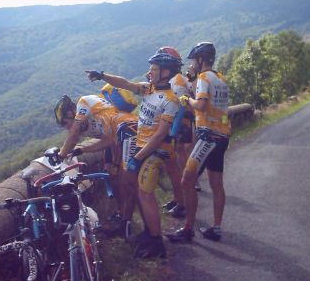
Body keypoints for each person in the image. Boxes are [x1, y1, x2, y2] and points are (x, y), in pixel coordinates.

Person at [85, 51, 181, 258]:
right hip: (142, 147)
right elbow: (124, 83)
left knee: (145, 194)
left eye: (154, 69)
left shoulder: (171, 100)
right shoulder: (149, 89)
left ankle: (157, 244)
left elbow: (160, 135)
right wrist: (102, 75)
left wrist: (137, 158)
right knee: (140, 192)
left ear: (166, 72)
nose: (149, 72)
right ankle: (150, 233)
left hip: (155, 152)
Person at [167, 42, 231, 243]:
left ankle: (187, 229)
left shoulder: (204, 77)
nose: (193, 63)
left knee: (187, 180)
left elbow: (201, 105)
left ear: (201, 59)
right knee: (216, 184)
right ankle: (216, 227)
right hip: (222, 136)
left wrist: (187, 100)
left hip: (207, 136)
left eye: (195, 60)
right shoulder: (220, 78)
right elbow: (219, 108)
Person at [54, 93, 138, 238]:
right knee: (113, 178)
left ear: (71, 113)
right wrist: (82, 150)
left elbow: (73, 135)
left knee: (127, 182)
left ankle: (129, 227)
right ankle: (122, 215)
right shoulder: (88, 127)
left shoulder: (83, 103)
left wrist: (60, 156)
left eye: (65, 123)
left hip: (129, 131)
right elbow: (108, 140)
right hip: (117, 139)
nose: (67, 128)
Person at [153, 46, 194, 220]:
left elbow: (178, 108)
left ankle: (182, 203)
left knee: (173, 168)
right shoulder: (178, 78)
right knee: (172, 167)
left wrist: (171, 134)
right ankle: (178, 200)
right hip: (178, 126)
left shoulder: (176, 81)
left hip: (176, 127)